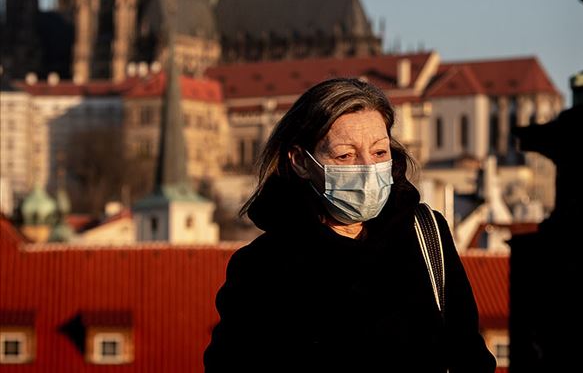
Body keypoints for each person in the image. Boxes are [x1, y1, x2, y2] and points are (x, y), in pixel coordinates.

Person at [203, 78, 496, 372]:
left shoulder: (426, 236)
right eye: (346, 155)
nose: (369, 169)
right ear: (301, 162)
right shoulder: (262, 266)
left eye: (380, 152)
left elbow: (469, 356)